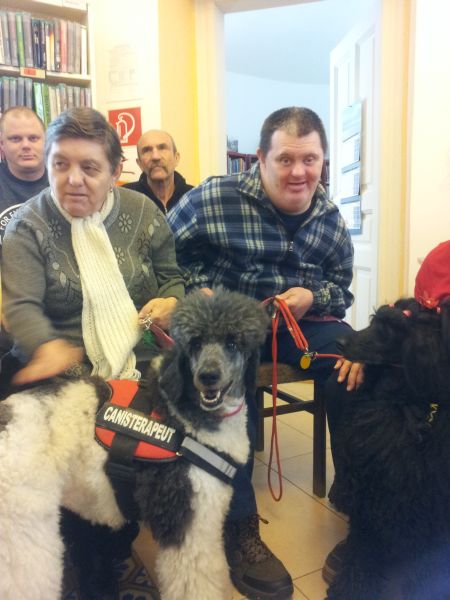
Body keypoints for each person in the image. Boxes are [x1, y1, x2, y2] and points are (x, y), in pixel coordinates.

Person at [167, 106, 356, 600]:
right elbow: (164, 254)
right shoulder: (213, 197)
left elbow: (342, 288)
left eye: (310, 160)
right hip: (230, 322)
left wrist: (314, 296)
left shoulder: (331, 218)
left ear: (323, 160)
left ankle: (359, 503)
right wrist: (198, 290)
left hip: (302, 323)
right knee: (228, 386)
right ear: (260, 158)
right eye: (286, 159)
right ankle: (240, 526)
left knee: (358, 367)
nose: (299, 172)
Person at [1, 107, 185, 598]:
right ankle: (89, 558)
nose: (73, 180)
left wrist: (171, 302)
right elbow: (21, 306)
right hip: (58, 363)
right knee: (77, 453)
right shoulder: (26, 226)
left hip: (139, 356)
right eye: (60, 164)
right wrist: (45, 346)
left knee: (160, 442)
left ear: (116, 171)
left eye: (89, 168)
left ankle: (118, 540)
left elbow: (172, 278)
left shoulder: (144, 213)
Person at [0, 106, 48, 244]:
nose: (26, 145)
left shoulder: (65, 181)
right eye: (15, 139)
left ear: (46, 141)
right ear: (2, 144)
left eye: (33, 138)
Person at [123, 128, 193, 214]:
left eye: (162, 148)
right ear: (139, 163)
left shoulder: (194, 197)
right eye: (147, 150)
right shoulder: (125, 198)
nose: (155, 157)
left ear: (176, 158)